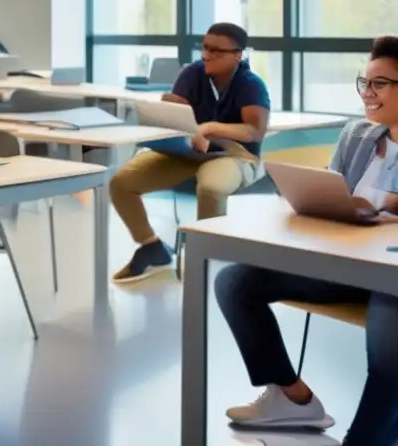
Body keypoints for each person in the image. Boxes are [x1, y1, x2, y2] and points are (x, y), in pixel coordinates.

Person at [215, 35, 398, 446]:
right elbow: (333, 190)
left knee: (389, 359)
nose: (367, 95)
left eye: (379, 84)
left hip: (392, 277)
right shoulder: (357, 136)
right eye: (364, 83)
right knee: (234, 281)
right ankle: (294, 399)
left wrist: (387, 201)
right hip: (343, 264)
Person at [109, 22, 270, 283]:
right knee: (121, 182)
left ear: (238, 55)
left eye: (216, 51)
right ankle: (151, 247)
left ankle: (206, 257)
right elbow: (179, 116)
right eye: (204, 48)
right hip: (188, 153)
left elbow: (254, 131)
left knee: (211, 187)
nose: (206, 55)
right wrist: (168, 115)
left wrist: (210, 128)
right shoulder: (192, 74)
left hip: (235, 155)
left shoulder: (251, 84)